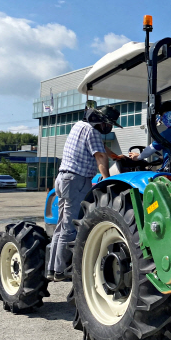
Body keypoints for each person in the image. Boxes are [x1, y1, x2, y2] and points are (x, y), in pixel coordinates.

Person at [47, 105, 119, 281]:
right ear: (101, 121)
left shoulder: (79, 126)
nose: (108, 127)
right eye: (108, 124)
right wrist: (107, 178)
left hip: (64, 178)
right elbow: (100, 156)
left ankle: (52, 268)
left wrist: (118, 157)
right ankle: (60, 270)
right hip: (77, 180)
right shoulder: (92, 131)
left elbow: (101, 148)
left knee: (61, 225)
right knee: (71, 226)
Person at [129, 102, 171, 170]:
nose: (161, 119)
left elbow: (150, 149)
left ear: (166, 114)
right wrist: (164, 156)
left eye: (161, 116)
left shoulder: (166, 134)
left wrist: (138, 157)